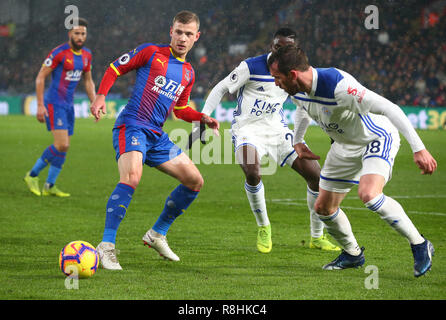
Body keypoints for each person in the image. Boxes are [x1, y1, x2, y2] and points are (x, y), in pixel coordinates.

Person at [268, 45, 437, 277]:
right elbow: (302, 108)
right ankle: (353, 254)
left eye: (277, 77)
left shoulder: (340, 87)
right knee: (323, 208)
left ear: (293, 74)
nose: (276, 83)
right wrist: (298, 140)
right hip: (343, 146)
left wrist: (419, 149)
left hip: (375, 137)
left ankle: (419, 244)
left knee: (369, 194)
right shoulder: (296, 89)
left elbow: (390, 108)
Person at [187, 28, 339, 254]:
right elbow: (221, 87)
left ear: (293, 50)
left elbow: (309, 106)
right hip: (247, 130)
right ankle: (264, 227)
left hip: (277, 130)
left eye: (286, 48)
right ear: (272, 46)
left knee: (317, 177)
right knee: (252, 171)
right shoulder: (252, 66)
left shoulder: (296, 72)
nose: (280, 51)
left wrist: (331, 133)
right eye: (277, 47)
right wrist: (203, 117)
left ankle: (317, 237)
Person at [90, 11, 219, 270]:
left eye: (188, 34)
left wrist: (202, 117)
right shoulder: (151, 52)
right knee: (131, 178)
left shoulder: (188, 73)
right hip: (132, 126)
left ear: (197, 37)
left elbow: (180, 110)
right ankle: (106, 246)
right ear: (171, 31)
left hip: (157, 136)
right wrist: (101, 96)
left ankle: (157, 233)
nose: (183, 38)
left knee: (195, 181)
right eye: (179, 32)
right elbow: (116, 67)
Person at [24, 18, 95, 197]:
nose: (80, 37)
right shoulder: (59, 53)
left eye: (83, 34)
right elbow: (40, 77)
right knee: (61, 144)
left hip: (68, 104)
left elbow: (88, 81)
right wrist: (40, 105)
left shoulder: (87, 55)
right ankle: (32, 175)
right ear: (70, 34)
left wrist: (94, 101)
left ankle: (50, 185)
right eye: (77, 33)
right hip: (54, 103)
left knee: (65, 146)